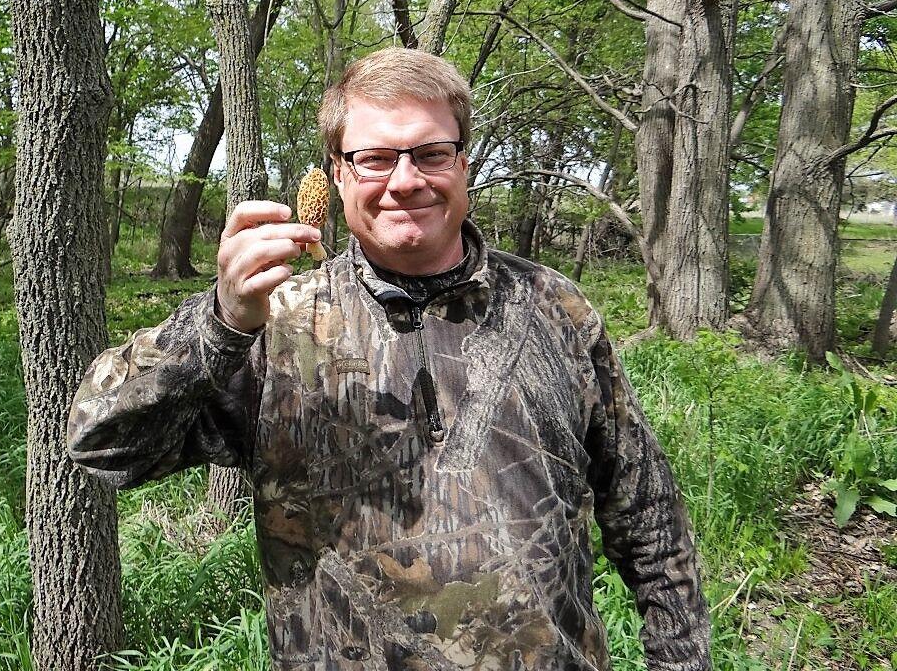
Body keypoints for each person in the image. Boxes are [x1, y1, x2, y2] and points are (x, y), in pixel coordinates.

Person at [68, 47, 711, 670]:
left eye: (431, 153)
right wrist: (220, 324)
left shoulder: (553, 310)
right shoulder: (280, 323)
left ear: (463, 165)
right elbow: (101, 444)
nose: (406, 181)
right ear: (337, 174)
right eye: (375, 158)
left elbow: (648, 514)